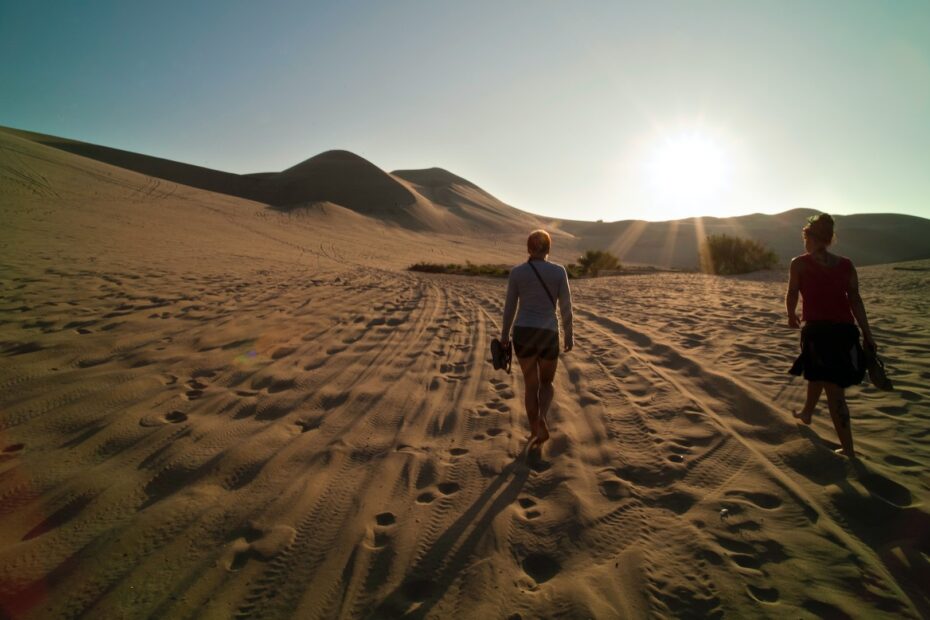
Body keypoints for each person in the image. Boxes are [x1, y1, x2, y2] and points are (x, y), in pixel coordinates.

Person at [786, 213, 876, 458]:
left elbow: (793, 291)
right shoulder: (846, 264)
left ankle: (848, 451)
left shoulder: (799, 263)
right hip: (845, 333)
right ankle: (807, 413)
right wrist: (867, 333)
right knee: (817, 373)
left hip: (819, 334)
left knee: (834, 390)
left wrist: (790, 314)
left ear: (809, 237)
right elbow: (855, 300)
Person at [500, 230, 574, 456]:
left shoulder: (517, 272)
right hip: (548, 334)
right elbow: (566, 306)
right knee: (546, 383)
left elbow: (510, 306)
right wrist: (569, 335)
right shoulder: (559, 271)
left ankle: (535, 430)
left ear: (528, 248)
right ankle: (542, 418)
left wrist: (504, 336)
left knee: (530, 385)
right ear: (548, 249)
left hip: (523, 333)